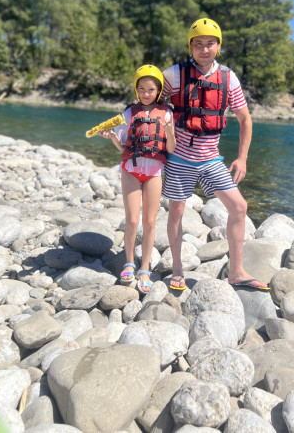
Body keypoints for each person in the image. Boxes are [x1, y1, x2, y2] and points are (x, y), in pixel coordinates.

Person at [161, 18, 269, 291]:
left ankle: (236, 271)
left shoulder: (228, 78)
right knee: (177, 210)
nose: (204, 49)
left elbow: (245, 119)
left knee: (239, 207)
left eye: (210, 43)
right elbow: (150, 102)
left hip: (211, 159)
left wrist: (242, 158)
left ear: (218, 46)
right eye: (198, 44)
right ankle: (177, 269)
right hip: (179, 158)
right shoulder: (174, 75)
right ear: (190, 47)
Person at [99, 64, 176, 293]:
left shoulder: (167, 114)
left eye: (150, 89)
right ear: (136, 89)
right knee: (132, 220)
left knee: (150, 222)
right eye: (141, 89)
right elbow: (124, 145)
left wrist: (169, 131)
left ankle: (145, 268)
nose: (145, 93)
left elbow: (171, 149)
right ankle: (129, 262)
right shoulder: (129, 113)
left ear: (158, 91)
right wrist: (113, 138)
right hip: (131, 170)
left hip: (154, 172)